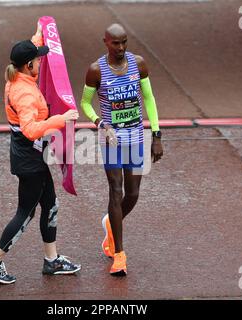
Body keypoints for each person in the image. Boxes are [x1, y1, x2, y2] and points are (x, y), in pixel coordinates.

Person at [0, 22, 81, 284]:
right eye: (38, 60)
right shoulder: (23, 92)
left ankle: (52, 260)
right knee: (26, 212)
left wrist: (42, 26)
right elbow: (31, 130)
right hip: (29, 157)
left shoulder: (20, 74)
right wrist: (61, 118)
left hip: (32, 156)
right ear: (28, 66)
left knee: (50, 204)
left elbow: (32, 45)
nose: (41, 63)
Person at [80, 23, 163, 276]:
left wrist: (157, 134)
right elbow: (85, 103)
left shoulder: (138, 64)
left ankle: (109, 222)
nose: (121, 48)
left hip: (136, 136)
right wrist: (100, 123)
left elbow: (148, 98)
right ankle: (119, 254)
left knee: (133, 194)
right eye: (115, 43)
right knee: (115, 191)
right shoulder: (96, 70)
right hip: (112, 140)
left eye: (124, 42)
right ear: (105, 42)